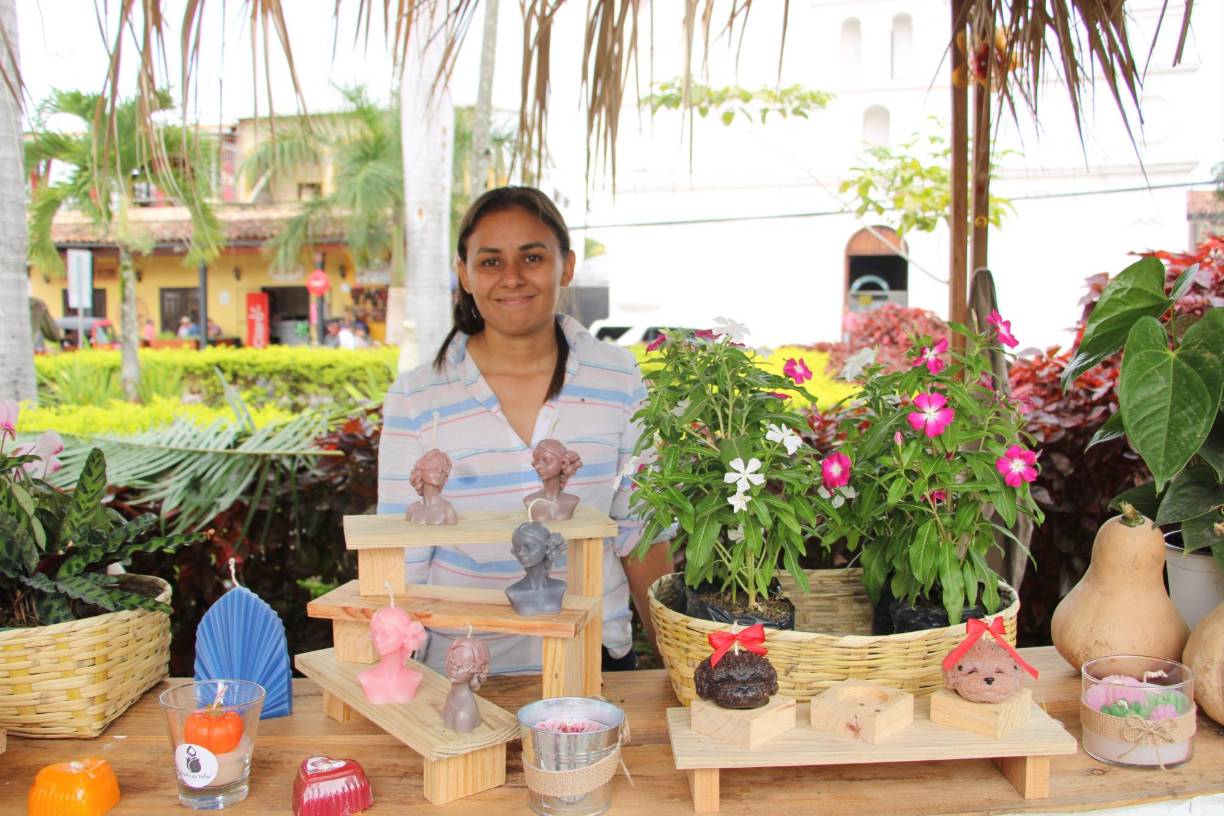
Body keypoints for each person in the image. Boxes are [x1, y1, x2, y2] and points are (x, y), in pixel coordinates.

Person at [378, 185, 673, 676]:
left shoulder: (619, 378)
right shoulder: (417, 396)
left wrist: (673, 668)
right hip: (459, 665)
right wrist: (392, 674)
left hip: (593, 656)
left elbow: (640, 533)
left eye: (532, 257)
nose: (512, 278)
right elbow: (401, 554)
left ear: (567, 266)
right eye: (490, 262)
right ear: (464, 274)